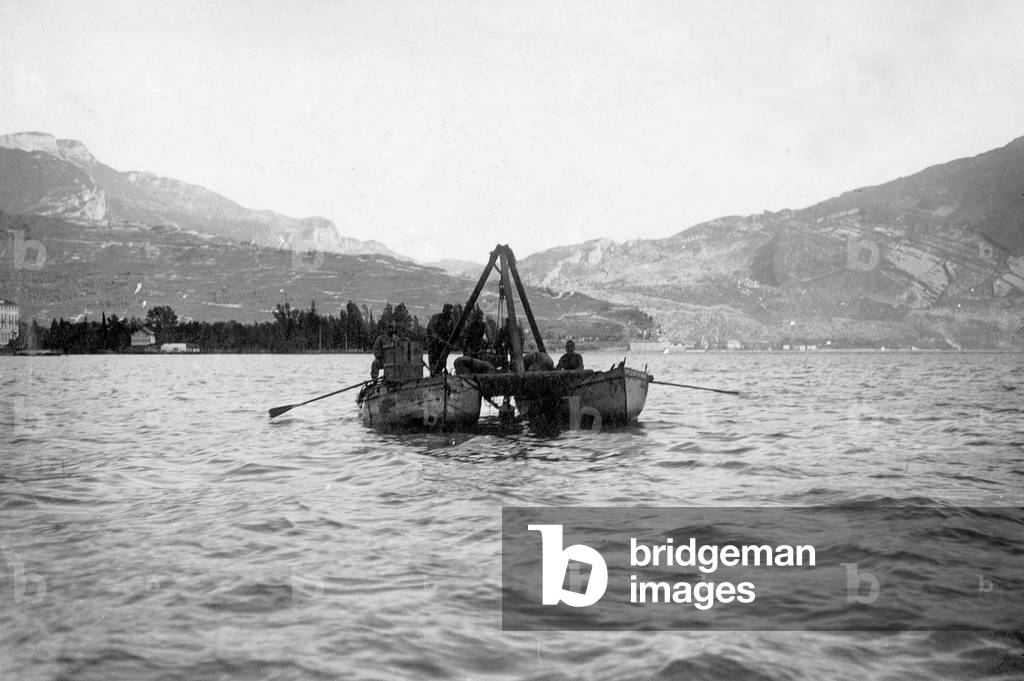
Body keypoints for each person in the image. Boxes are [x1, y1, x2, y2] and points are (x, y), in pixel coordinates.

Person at [426, 303, 456, 376]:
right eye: (447, 312)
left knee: (442, 362)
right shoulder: (436, 318)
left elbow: (452, 333)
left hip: (444, 347)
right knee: (434, 365)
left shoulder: (450, 321)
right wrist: (438, 339)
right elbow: (430, 330)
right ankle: (434, 375)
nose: (448, 314)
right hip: (434, 346)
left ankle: (441, 373)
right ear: (443, 311)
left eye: (450, 312)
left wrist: (452, 343)